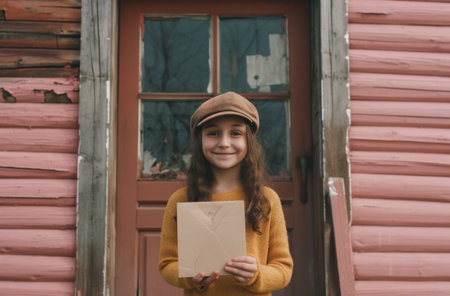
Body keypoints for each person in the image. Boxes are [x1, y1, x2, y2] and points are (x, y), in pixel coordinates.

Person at [158, 91, 293, 295]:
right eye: (213, 133)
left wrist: (257, 274)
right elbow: (167, 264)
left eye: (235, 133)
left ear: (249, 141)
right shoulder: (180, 200)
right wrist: (189, 276)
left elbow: (283, 270)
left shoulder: (267, 199)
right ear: (200, 140)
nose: (224, 143)